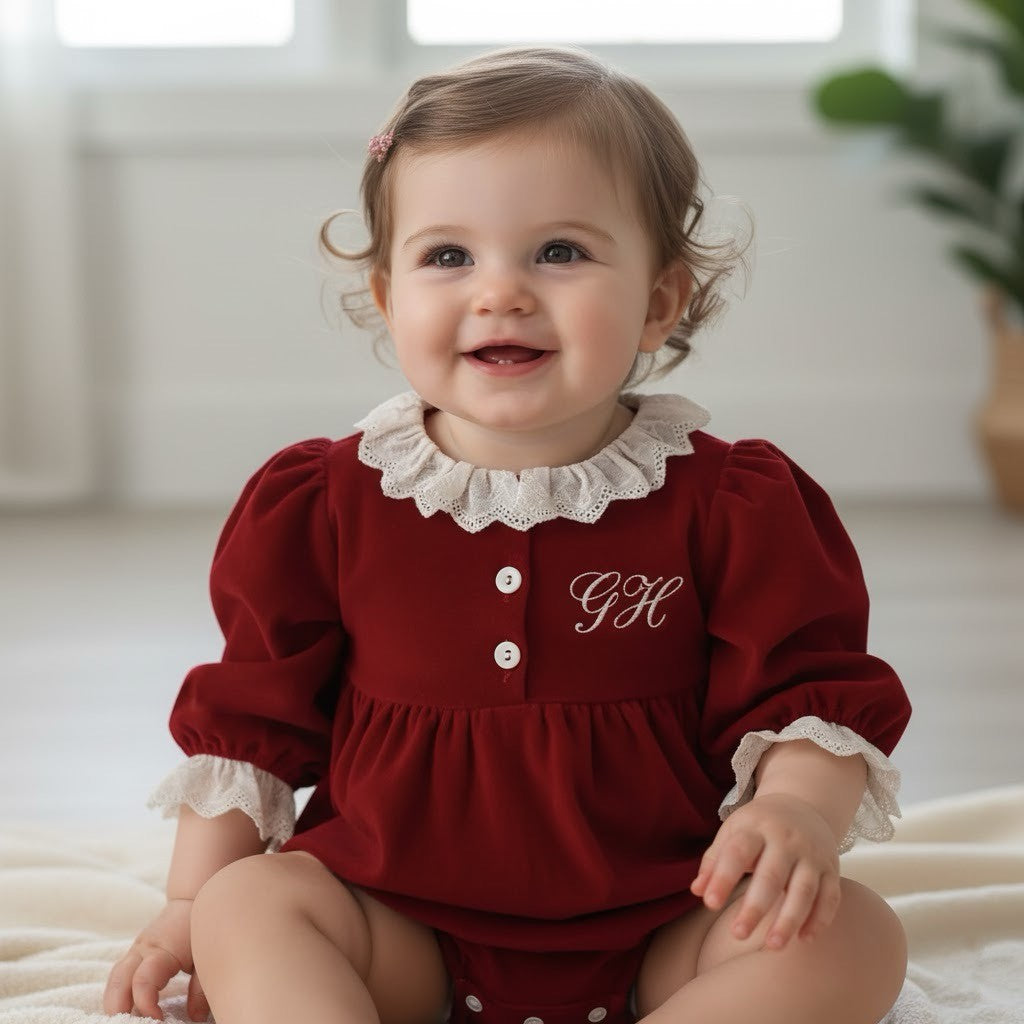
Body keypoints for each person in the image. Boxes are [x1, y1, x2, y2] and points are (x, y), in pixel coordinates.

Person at [103, 44, 912, 1024]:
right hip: (396, 922)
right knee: (250, 904)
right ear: (385, 293)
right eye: (447, 255)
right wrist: (190, 902)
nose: (499, 291)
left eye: (559, 251)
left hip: (666, 919)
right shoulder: (323, 499)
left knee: (856, 934)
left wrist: (796, 812)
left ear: (660, 300)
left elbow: (806, 695)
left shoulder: (732, 498)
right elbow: (253, 726)